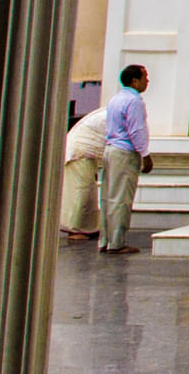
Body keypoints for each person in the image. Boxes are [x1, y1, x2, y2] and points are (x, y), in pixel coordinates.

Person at [89, 63, 152, 255]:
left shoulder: (116, 99)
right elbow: (136, 130)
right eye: (144, 77)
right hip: (124, 152)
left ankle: (106, 240)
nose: (147, 81)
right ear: (135, 81)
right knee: (121, 198)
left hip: (111, 150)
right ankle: (117, 242)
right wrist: (145, 155)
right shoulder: (134, 101)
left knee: (108, 196)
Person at [59, 98, 114, 242]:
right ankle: (74, 228)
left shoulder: (109, 113)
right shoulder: (113, 114)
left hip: (84, 152)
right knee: (80, 191)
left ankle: (87, 227)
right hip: (79, 152)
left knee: (89, 191)